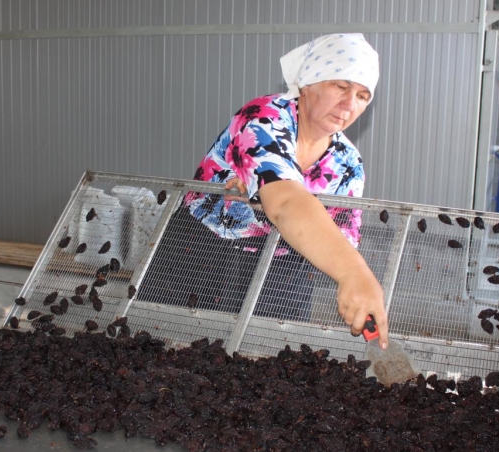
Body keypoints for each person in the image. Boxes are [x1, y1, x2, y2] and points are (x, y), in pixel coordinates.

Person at [139, 33, 389, 350]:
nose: (349, 104)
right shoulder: (264, 118)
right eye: (340, 87)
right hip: (204, 253)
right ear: (309, 83)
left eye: (363, 96)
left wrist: (357, 289)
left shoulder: (348, 162)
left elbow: (340, 236)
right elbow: (283, 201)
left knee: (268, 366)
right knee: (178, 354)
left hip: (283, 272)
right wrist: (355, 274)